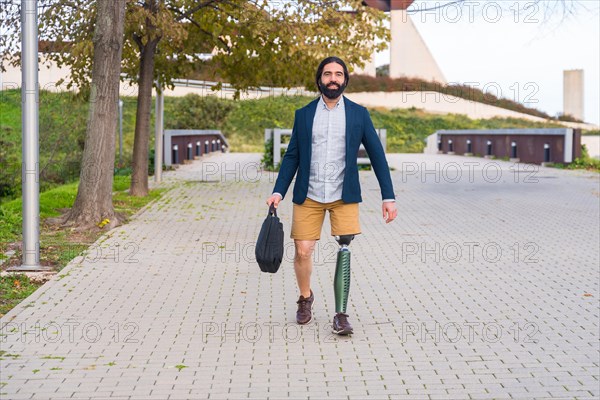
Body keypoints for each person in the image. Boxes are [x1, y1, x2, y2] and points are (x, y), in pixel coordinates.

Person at [266, 56, 397, 335]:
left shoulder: (359, 114)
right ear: (319, 79)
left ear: (345, 80)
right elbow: (292, 157)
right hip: (309, 193)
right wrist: (278, 191)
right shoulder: (304, 114)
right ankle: (305, 298)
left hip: (344, 194)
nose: (333, 79)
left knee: (344, 250)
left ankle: (340, 314)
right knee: (302, 251)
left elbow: (377, 156)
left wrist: (389, 196)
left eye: (338, 74)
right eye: (328, 74)